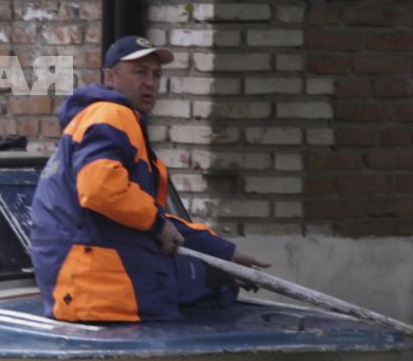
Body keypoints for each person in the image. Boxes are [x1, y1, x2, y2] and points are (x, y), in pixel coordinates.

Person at [29, 35, 269, 323]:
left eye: (156, 74)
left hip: (102, 281)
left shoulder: (101, 121)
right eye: (139, 72)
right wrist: (157, 225)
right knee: (214, 289)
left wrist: (225, 253)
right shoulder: (112, 115)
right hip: (101, 292)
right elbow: (100, 189)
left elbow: (152, 214)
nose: (150, 82)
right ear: (110, 77)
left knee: (216, 281)